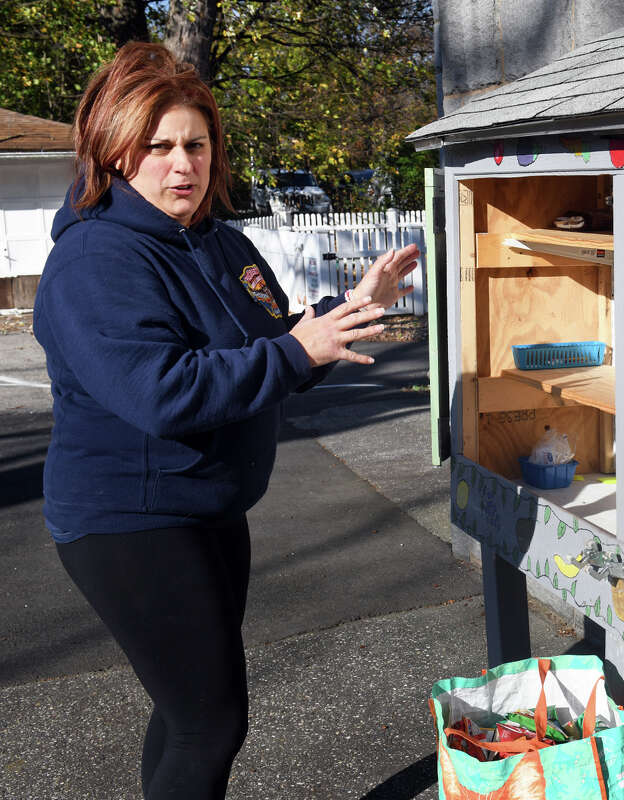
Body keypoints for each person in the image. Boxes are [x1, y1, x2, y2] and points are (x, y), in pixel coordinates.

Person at [31, 42, 420, 799]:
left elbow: (274, 352)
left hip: (208, 508)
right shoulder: (96, 260)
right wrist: (296, 353)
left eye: (196, 144)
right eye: (160, 146)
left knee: (186, 715)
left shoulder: (222, 242)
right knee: (210, 722)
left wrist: (348, 311)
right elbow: (159, 392)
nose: (183, 164)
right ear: (115, 152)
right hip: (129, 521)